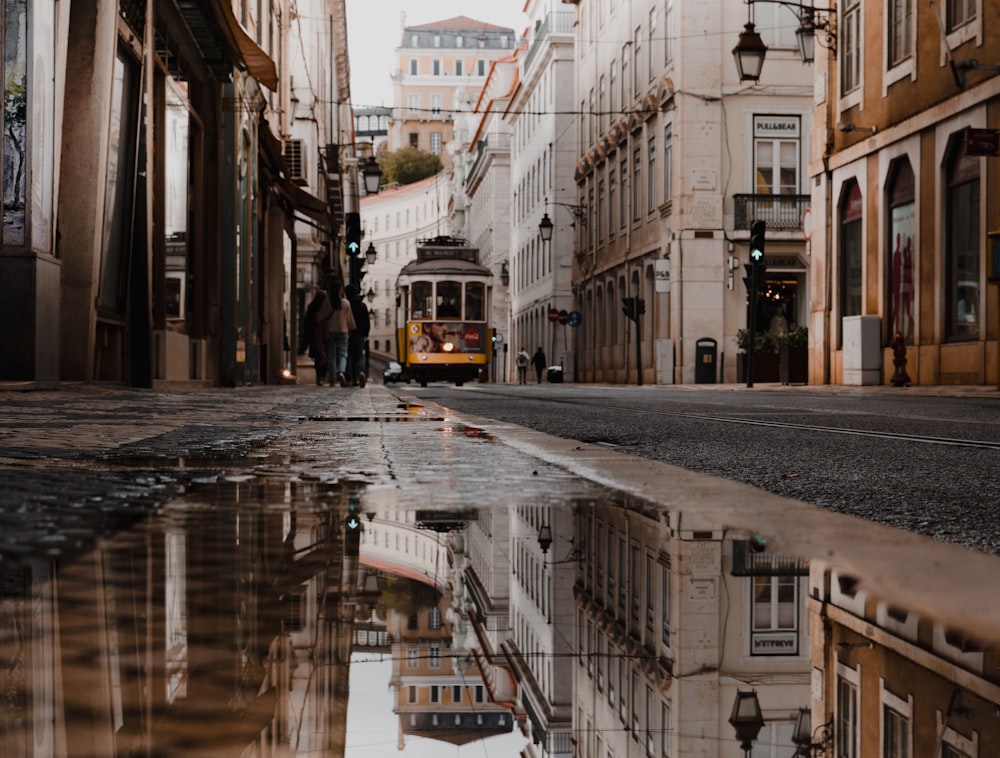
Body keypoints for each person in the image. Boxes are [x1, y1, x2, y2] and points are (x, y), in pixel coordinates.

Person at [316, 281, 356, 387]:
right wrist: (350, 330)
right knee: (343, 354)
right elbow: (350, 321)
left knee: (331, 356)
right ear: (340, 290)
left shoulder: (327, 302)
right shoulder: (346, 303)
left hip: (331, 331)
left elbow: (320, 317)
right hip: (343, 331)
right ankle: (341, 372)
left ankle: (333, 379)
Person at [298, 287, 328, 385]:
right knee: (324, 357)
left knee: (317, 358)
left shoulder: (311, 309)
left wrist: (305, 342)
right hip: (324, 337)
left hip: (313, 337)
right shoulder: (325, 310)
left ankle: (319, 377)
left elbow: (306, 326)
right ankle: (323, 376)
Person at [344, 284, 371, 387]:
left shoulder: (346, 304)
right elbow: (367, 322)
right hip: (360, 335)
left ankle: (350, 378)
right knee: (359, 357)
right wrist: (366, 333)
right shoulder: (362, 305)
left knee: (348, 357)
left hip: (348, 333)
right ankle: (361, 372)